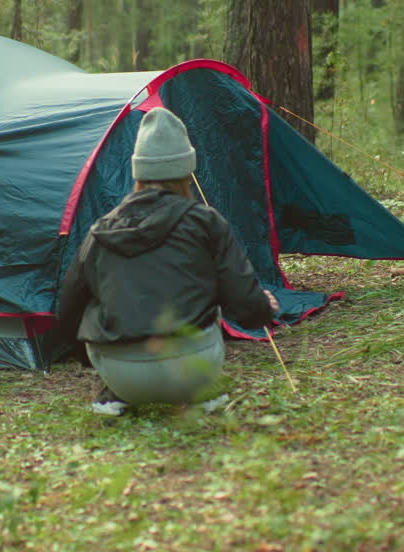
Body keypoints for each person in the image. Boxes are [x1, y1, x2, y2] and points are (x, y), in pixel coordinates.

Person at [55, 107, 279, 416]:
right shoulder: (205, 222)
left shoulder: (101, 229)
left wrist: (93, 358)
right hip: (188, 368)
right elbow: (246, 306)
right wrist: (265, 308)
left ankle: (117, 395)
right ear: (187, 171)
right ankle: (201, 395)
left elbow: (68, 311)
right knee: (204, 302)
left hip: (119, 372)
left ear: (139, 172)